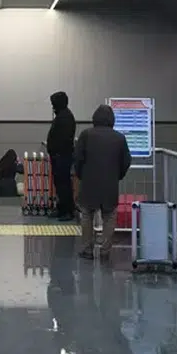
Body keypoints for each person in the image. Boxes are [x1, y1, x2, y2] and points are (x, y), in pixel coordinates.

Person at [73, 104, 131, 260]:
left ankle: (87, 249)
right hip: (110, 183)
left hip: (89, 182)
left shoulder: (86, 135)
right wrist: (118, 175)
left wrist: (81, 175)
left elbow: (77, 158)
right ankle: (105, 251)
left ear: (95, 118)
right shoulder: (119, 138)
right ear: (112, 119)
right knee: (109, 216)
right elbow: (126, 161)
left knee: (87, 214)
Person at [46, 91, 77, 221]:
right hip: (60, 156)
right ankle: (62, 208)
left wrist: (55, 151)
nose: (52, 106)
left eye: (53, 103)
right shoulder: (64, 116)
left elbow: (62, 139)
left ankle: (67, 211)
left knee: (64, 184)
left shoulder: (65, 118)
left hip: (62, 157)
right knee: (60, 184)